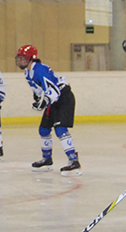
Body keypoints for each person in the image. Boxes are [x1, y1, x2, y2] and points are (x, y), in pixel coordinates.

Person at [15, 44, 81, 176]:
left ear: (31, 58)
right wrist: (39, 101)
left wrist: (44, 101)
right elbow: (40, 91)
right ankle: (47, 159)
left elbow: (54, 89)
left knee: (60, 129)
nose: (20, 61)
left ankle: (74, 161)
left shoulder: (40, 69)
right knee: (44, 129)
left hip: (63, 98)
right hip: (54, 100)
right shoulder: (28, 72)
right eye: (19, 58)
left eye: (23, 58)